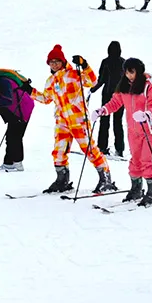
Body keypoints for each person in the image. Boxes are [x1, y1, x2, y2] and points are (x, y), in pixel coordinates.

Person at [33, 46, 115, 194]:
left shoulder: (74, 74)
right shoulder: (50, 81)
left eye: (57, 61)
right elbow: (45, 99)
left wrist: (84, 65)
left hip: (78, 120)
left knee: (89, 150)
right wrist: (29, 90)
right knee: (58, 152)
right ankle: (62, 180)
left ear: (63, 62)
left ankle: (105, 179)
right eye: (51, 62)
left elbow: (93, 81)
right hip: (62, 122)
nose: (54, 64)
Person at [95, 58, 152, 206]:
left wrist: (147, 115)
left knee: (147, 160)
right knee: (135, 160)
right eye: (126, 72)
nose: (128, 75)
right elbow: (115, 102)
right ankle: (136, 189)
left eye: (131, 72)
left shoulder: (148, 86)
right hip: (134, 130)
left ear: (138, 71)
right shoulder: (124, 86)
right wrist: (103, 110)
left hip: (149, 130)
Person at [91, 41, 125, 159]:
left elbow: (101, 80)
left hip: (106, 94)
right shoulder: (123, 62)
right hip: (120, 96)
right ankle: (119, 149)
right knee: (118, 122)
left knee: (104, 122)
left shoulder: (105, 62)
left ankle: (102, 147)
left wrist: (92, 90)